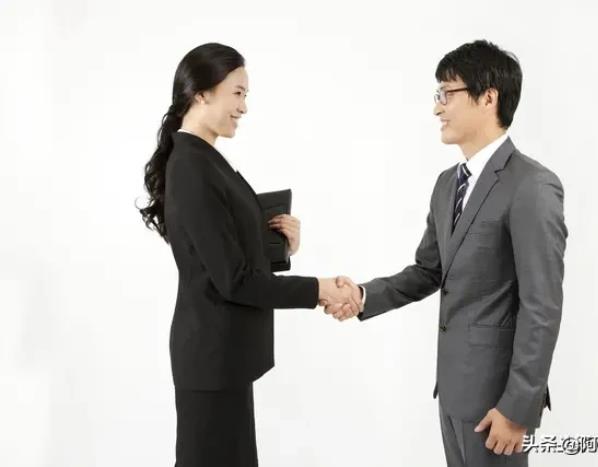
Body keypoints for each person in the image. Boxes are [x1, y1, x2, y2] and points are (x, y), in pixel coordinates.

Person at [326, 40, 568, 467]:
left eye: (447, 93)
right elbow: (428, 271)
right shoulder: (446, 184)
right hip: (453, 391)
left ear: (488, 97)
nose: (437, 107)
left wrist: (518, 408)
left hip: (499, 404)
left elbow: (542, 306)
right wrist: (362, 295)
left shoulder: (532, 185)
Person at [138, 42, 361, 467]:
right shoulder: (192, 166)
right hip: (211, 359)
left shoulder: (205, 160)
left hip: (222, 359)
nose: (244, 107)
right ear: (202, 93)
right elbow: (233, 279)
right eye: (237, 93)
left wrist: (278, 246)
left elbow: (221, 255)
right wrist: (319, 289)